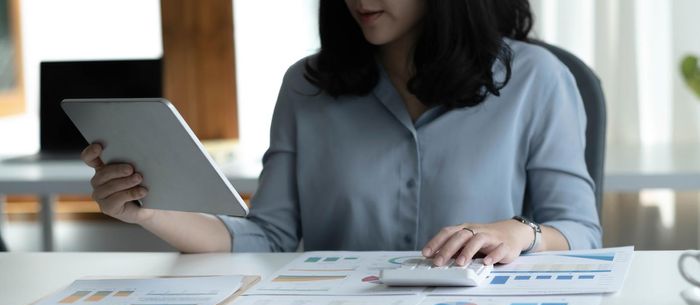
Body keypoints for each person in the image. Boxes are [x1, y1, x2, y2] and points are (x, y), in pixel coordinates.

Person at [80, 0, 601, 266]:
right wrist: (151, 210)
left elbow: (580, 232)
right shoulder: (307, 86)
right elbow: (269, 239)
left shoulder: (538, 79)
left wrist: (519, 233)